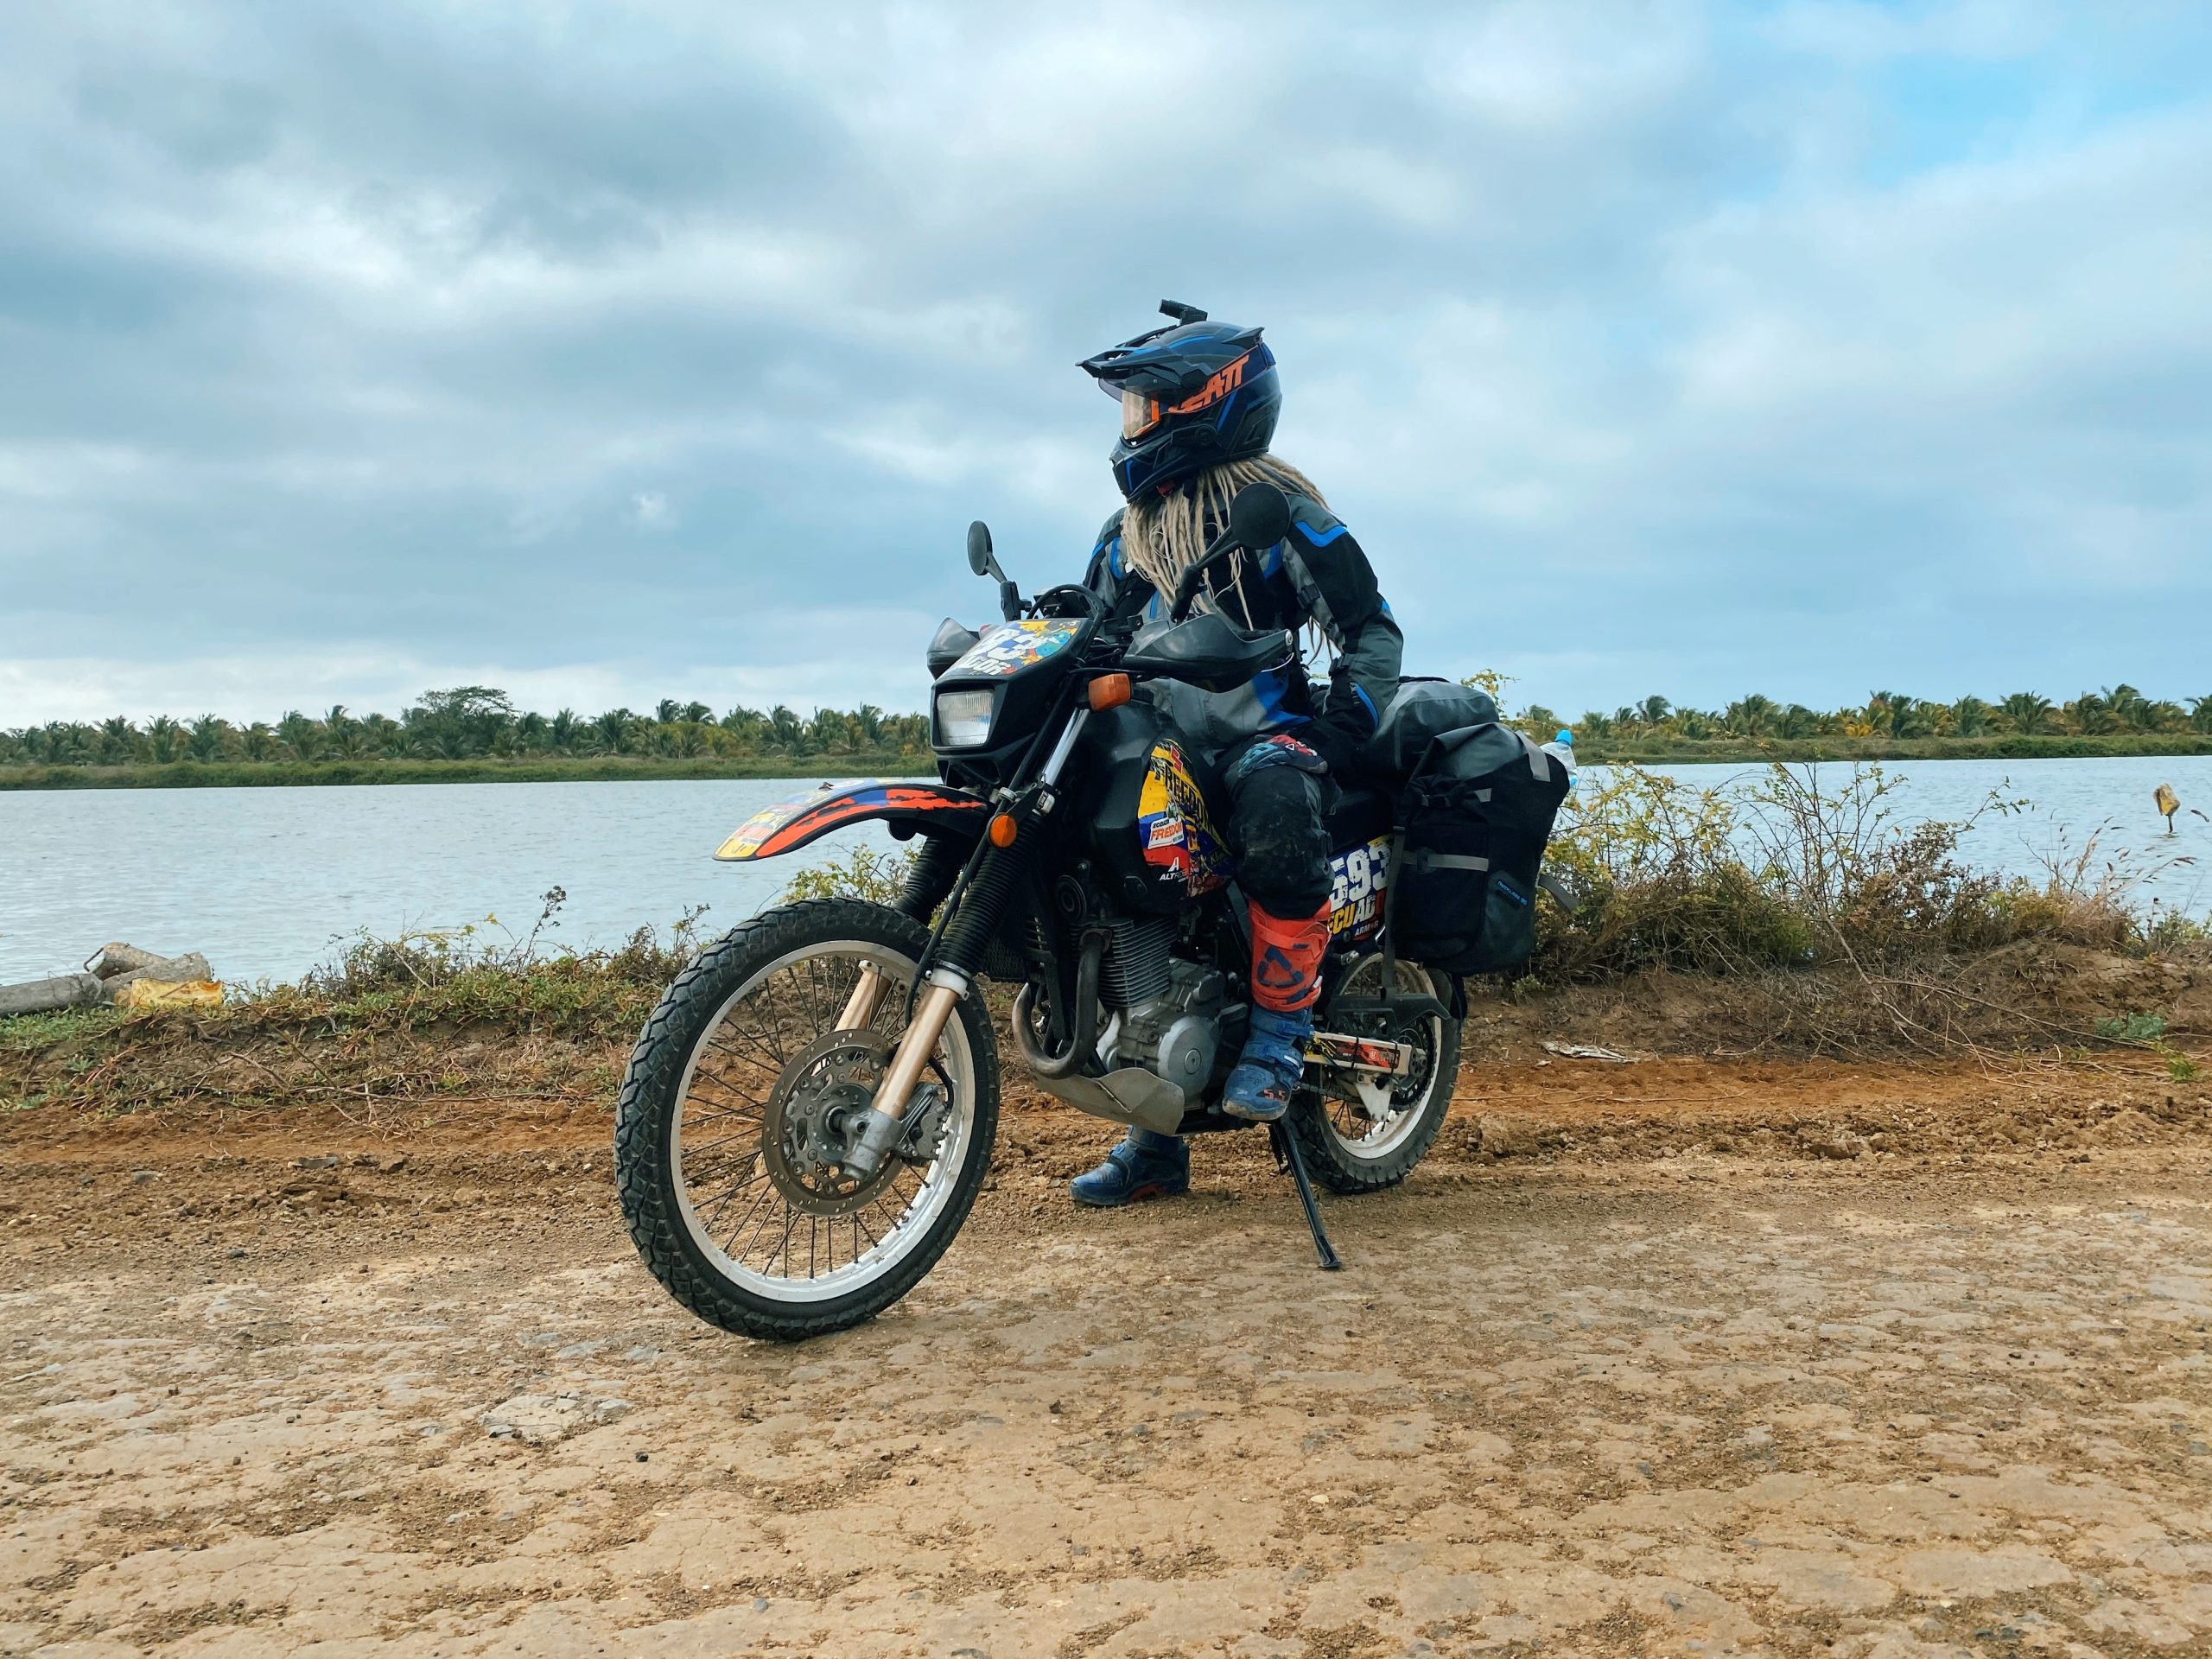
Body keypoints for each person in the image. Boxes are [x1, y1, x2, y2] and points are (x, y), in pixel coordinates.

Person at [1066, 302, 1402, 1207]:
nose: (1129, 423)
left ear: (1206, 403)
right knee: (1128, 888)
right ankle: (1155, 1138)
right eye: (1126, 408)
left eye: (1142, 406)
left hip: (1264, 736)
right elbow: (1091, 632)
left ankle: (1281, 1034)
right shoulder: (1123, 532)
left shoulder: (1280, 511)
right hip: (1156, 742)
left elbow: (1368, 628)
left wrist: (1339, 724)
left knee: (1276, 811)